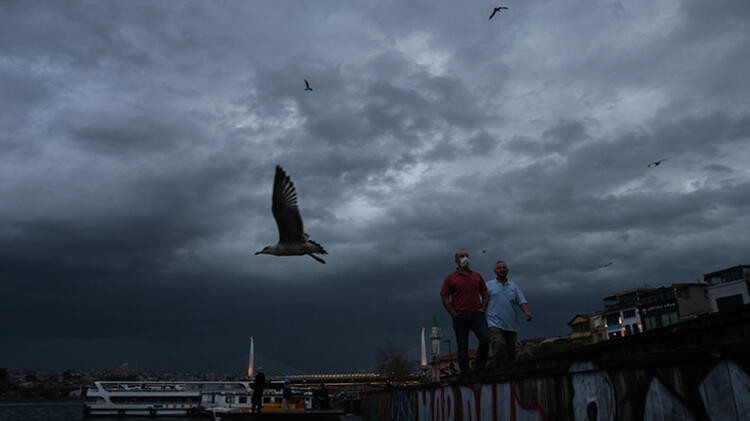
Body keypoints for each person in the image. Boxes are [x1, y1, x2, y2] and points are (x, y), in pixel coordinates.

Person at [440, 249, 490, 376]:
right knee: (462, 345)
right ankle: (465, 372)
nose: (465, 258)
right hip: (460, 316)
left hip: (477, 314)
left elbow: (484, 293)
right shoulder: (450, 278)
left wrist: (483, 308)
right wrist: (453, 313)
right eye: (462, 256)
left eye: (467, 255)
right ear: (456, 260)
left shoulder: (477, 276)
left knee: (485, 339)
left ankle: (479, 369)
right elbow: (444, 296)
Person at [485, 260, 532, 372]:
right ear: (495, 271)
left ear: (507, 270)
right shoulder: (489, 285)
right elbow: (483, 301)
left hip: (510, 324)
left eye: (504, 267)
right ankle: (498, 370)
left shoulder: (513, 286)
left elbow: (521, 300)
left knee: (511, 350)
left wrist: (526, 312)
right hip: (494, 322)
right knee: (498, 344)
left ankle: (509, 372)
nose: (502, 269)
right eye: (499, 268)